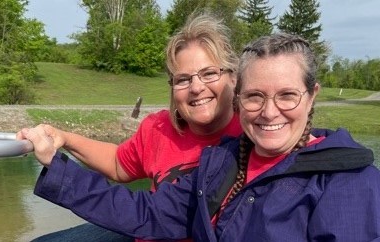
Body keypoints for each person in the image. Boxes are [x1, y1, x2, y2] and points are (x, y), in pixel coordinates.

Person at [19, 33, 380, 241]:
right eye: (256, 97)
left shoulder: (347, 181)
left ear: (312, 95)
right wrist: (55, 161)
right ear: (241, 98)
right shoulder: (221, 163)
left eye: (287, 95)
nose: (269, 112)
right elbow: (144, 211)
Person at [20, 13, 242, 242]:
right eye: (183, 79)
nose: (196, 87)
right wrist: (63, 138)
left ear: (234, 78)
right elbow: (118, 164)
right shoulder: (158, 128)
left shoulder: (251, 139)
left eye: (209, 73)